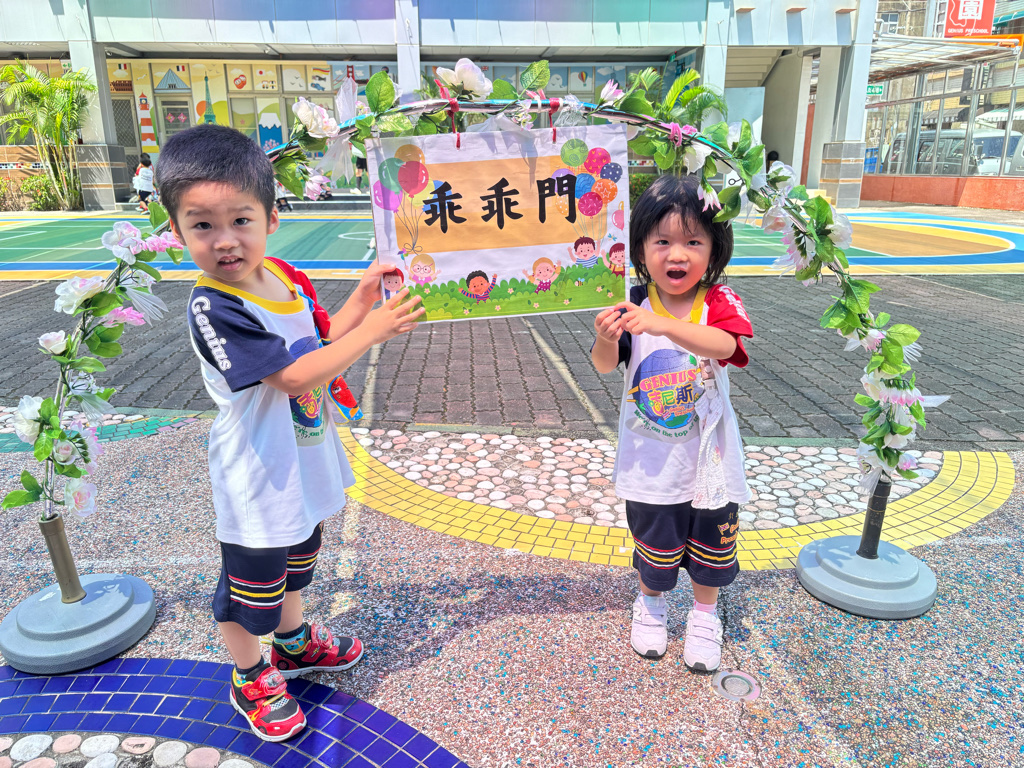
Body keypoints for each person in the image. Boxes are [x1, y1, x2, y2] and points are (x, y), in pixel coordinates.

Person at [158, 124, 424, 743]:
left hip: (302, 459)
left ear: (272, 218)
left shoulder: (278, 275)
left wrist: (362, 299)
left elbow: (319, 343)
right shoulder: (216, 305)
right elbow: (291, 376)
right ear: (176, 231)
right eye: (203, 225)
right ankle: (250, 673)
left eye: (240, 220)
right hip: (258, 473)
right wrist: (375, 330)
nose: (226, 240)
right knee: (249, 589)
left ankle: (294, 642)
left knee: (297, 560)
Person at [590, 174, 753, 671]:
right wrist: (604, 337)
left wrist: (664, 325)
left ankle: (704, 616)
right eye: (662, 241)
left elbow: (727, 346)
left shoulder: (717, 300)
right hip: (651, 460)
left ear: (714, 249)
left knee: (712, 547)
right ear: (640, 248)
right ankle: (652, 604)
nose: (676, 254)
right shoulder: (632, 301)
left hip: (709, 461)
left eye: (693, 242)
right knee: (654, 544)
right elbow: (604, 365)